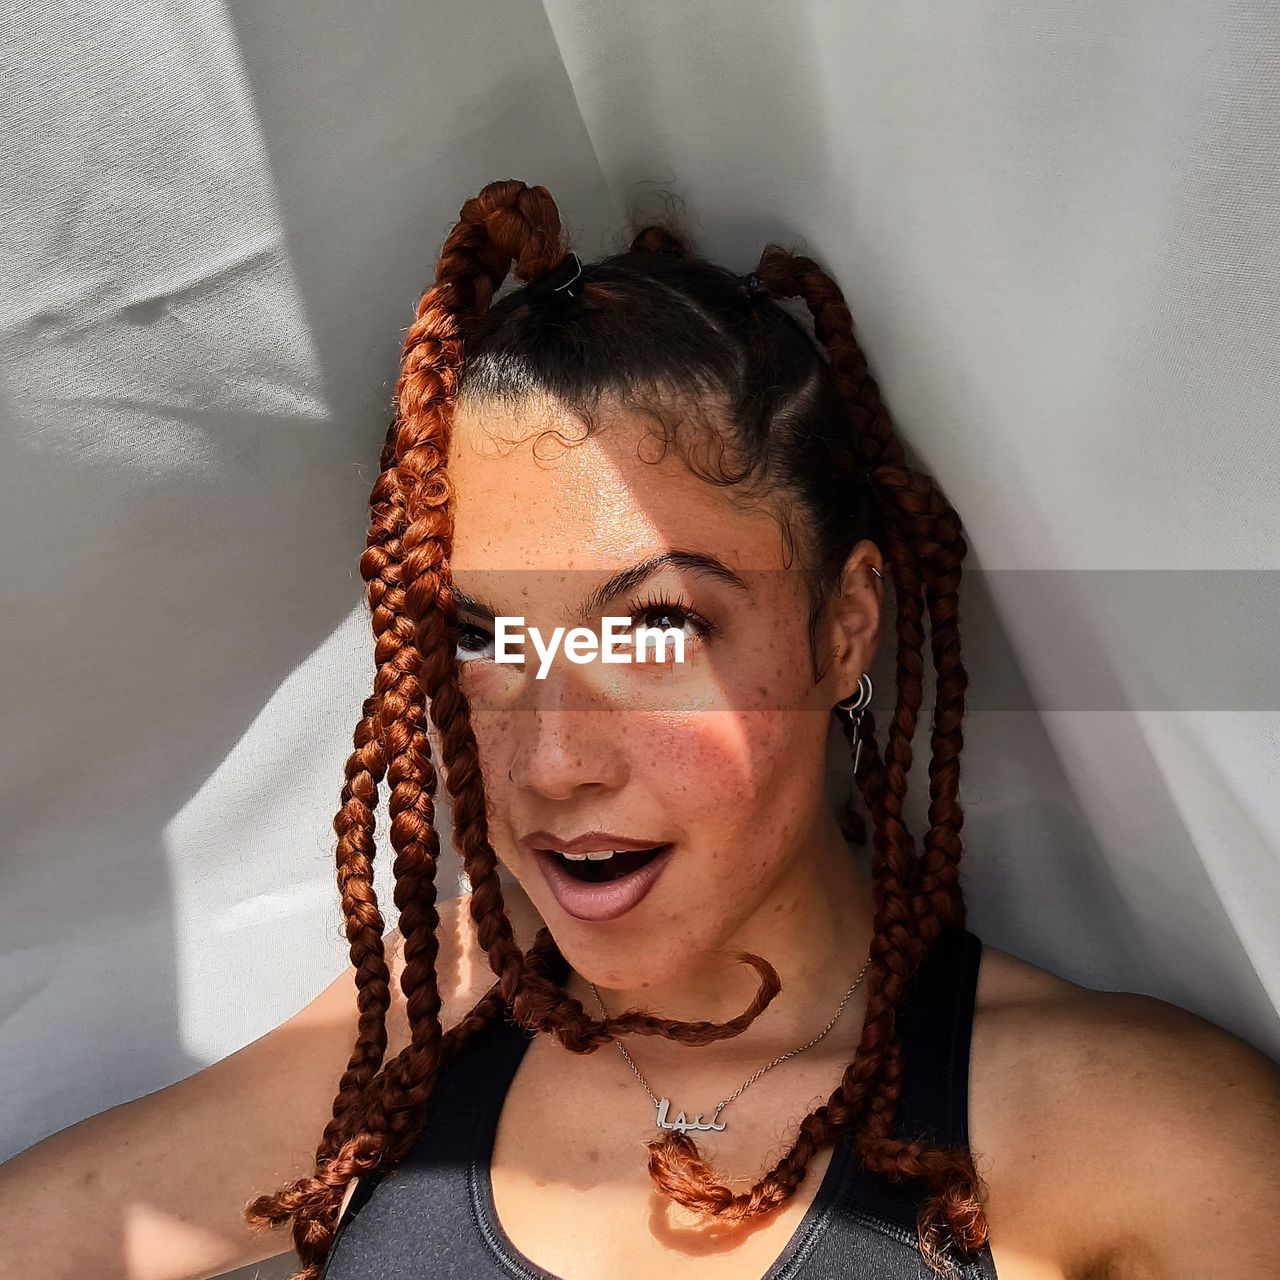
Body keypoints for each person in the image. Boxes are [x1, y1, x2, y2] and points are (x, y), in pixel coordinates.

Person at [2, 179, 1278, 1280]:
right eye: (486, 637)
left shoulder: (1132, 1132)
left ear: (845, 628)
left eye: (654, 629)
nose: (555, 759)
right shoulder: (424, 1031)